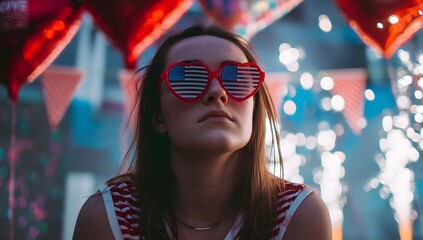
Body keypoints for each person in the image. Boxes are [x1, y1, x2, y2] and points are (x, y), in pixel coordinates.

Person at [73, 25, 332, 240]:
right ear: (157, 117)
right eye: (188, 78)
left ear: (255, 110)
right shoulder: (108, 217)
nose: (217, 92)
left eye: (237, 78)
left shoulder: (298, 214)